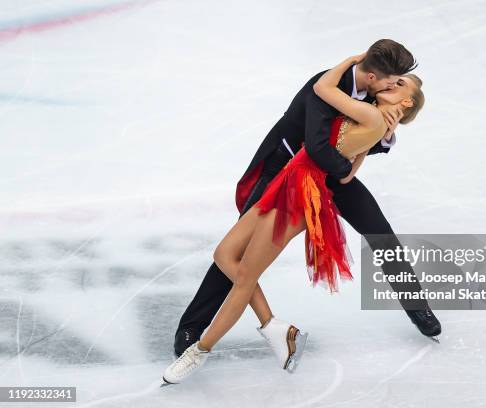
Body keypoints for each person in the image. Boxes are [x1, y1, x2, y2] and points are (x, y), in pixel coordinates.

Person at [162, 51, 429, 385]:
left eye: (399, 83)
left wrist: (382, 135)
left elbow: (359, 144)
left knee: (380, 233)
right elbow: (319, 146)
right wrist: (366, 146)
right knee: (234, 254)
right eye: (395, 78)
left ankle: (418, 306)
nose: (392, 83)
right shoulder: (329, 84)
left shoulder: (375, 106)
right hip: (285, 170)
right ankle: (192, 328)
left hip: (321, 175)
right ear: (376, 77)